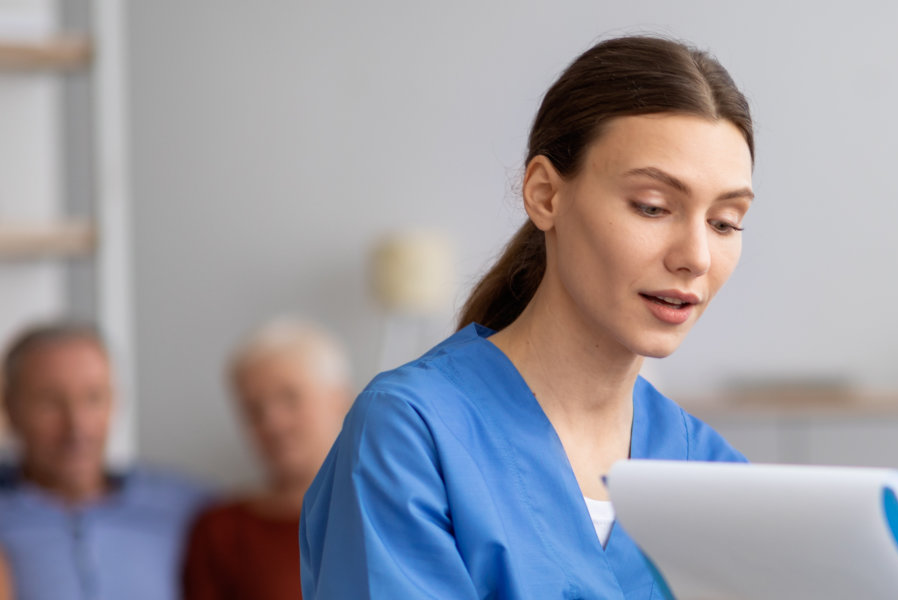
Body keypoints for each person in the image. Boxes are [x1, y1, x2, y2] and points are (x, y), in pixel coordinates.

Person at [300, 35, 755, 599]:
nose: (696, 257)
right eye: (653, 207)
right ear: (544, 195)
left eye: (726, 222)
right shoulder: (411, 435)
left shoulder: (714, 474)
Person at [0, 323, 210, 600]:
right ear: (9, 409)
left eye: (93, 398)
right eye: (50, 402)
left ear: (114, 402)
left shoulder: (186, 509)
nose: (77, 426)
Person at [182, 317, 352, 600]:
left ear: (340, 398)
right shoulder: (221, 531)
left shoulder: (390, 511)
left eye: (290, 398)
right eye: (254, 410)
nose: (272, 423)